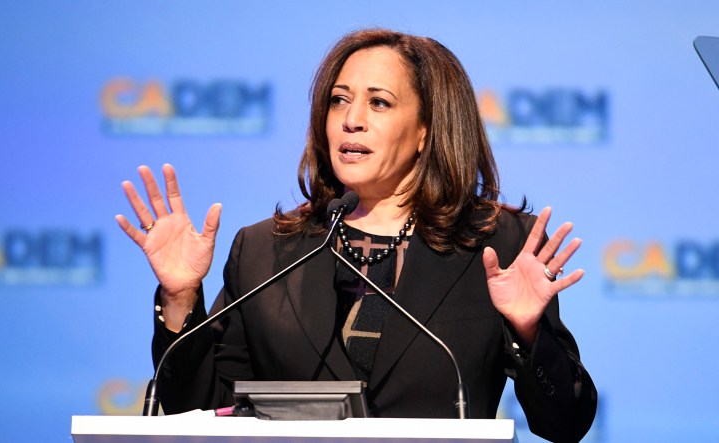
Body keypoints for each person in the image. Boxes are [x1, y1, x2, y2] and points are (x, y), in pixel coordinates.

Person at [117, 29, 596, 442]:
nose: (352, 119)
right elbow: (203, 410)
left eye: (379, 102)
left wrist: (530, 334)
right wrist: (180, 298)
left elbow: (564, 423)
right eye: (339, 100)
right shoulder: (265, 252)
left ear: (427, 128)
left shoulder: (495, 246)